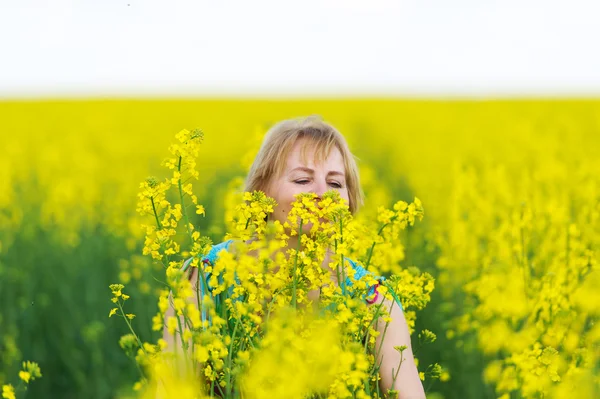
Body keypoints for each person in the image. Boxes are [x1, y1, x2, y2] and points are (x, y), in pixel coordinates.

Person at [163, 116, 426, 398]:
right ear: (261, 191)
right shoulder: (204, 278)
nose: (322, 194)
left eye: (336, 184)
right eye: (303, 180)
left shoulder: (375, 302)